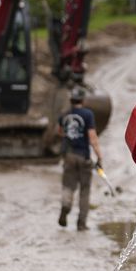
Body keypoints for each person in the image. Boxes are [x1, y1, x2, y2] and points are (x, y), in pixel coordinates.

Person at [57, 87, 103, 230]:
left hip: (69, 156)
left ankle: (65, 206)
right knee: (84, 190)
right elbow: (93, 138)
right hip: (83, 156)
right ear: (83, 100)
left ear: (71, 100)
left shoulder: (64, 116)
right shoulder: (88, 114)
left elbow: (60, 132)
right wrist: (99, 156)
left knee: (68, 186)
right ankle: (81, 223)